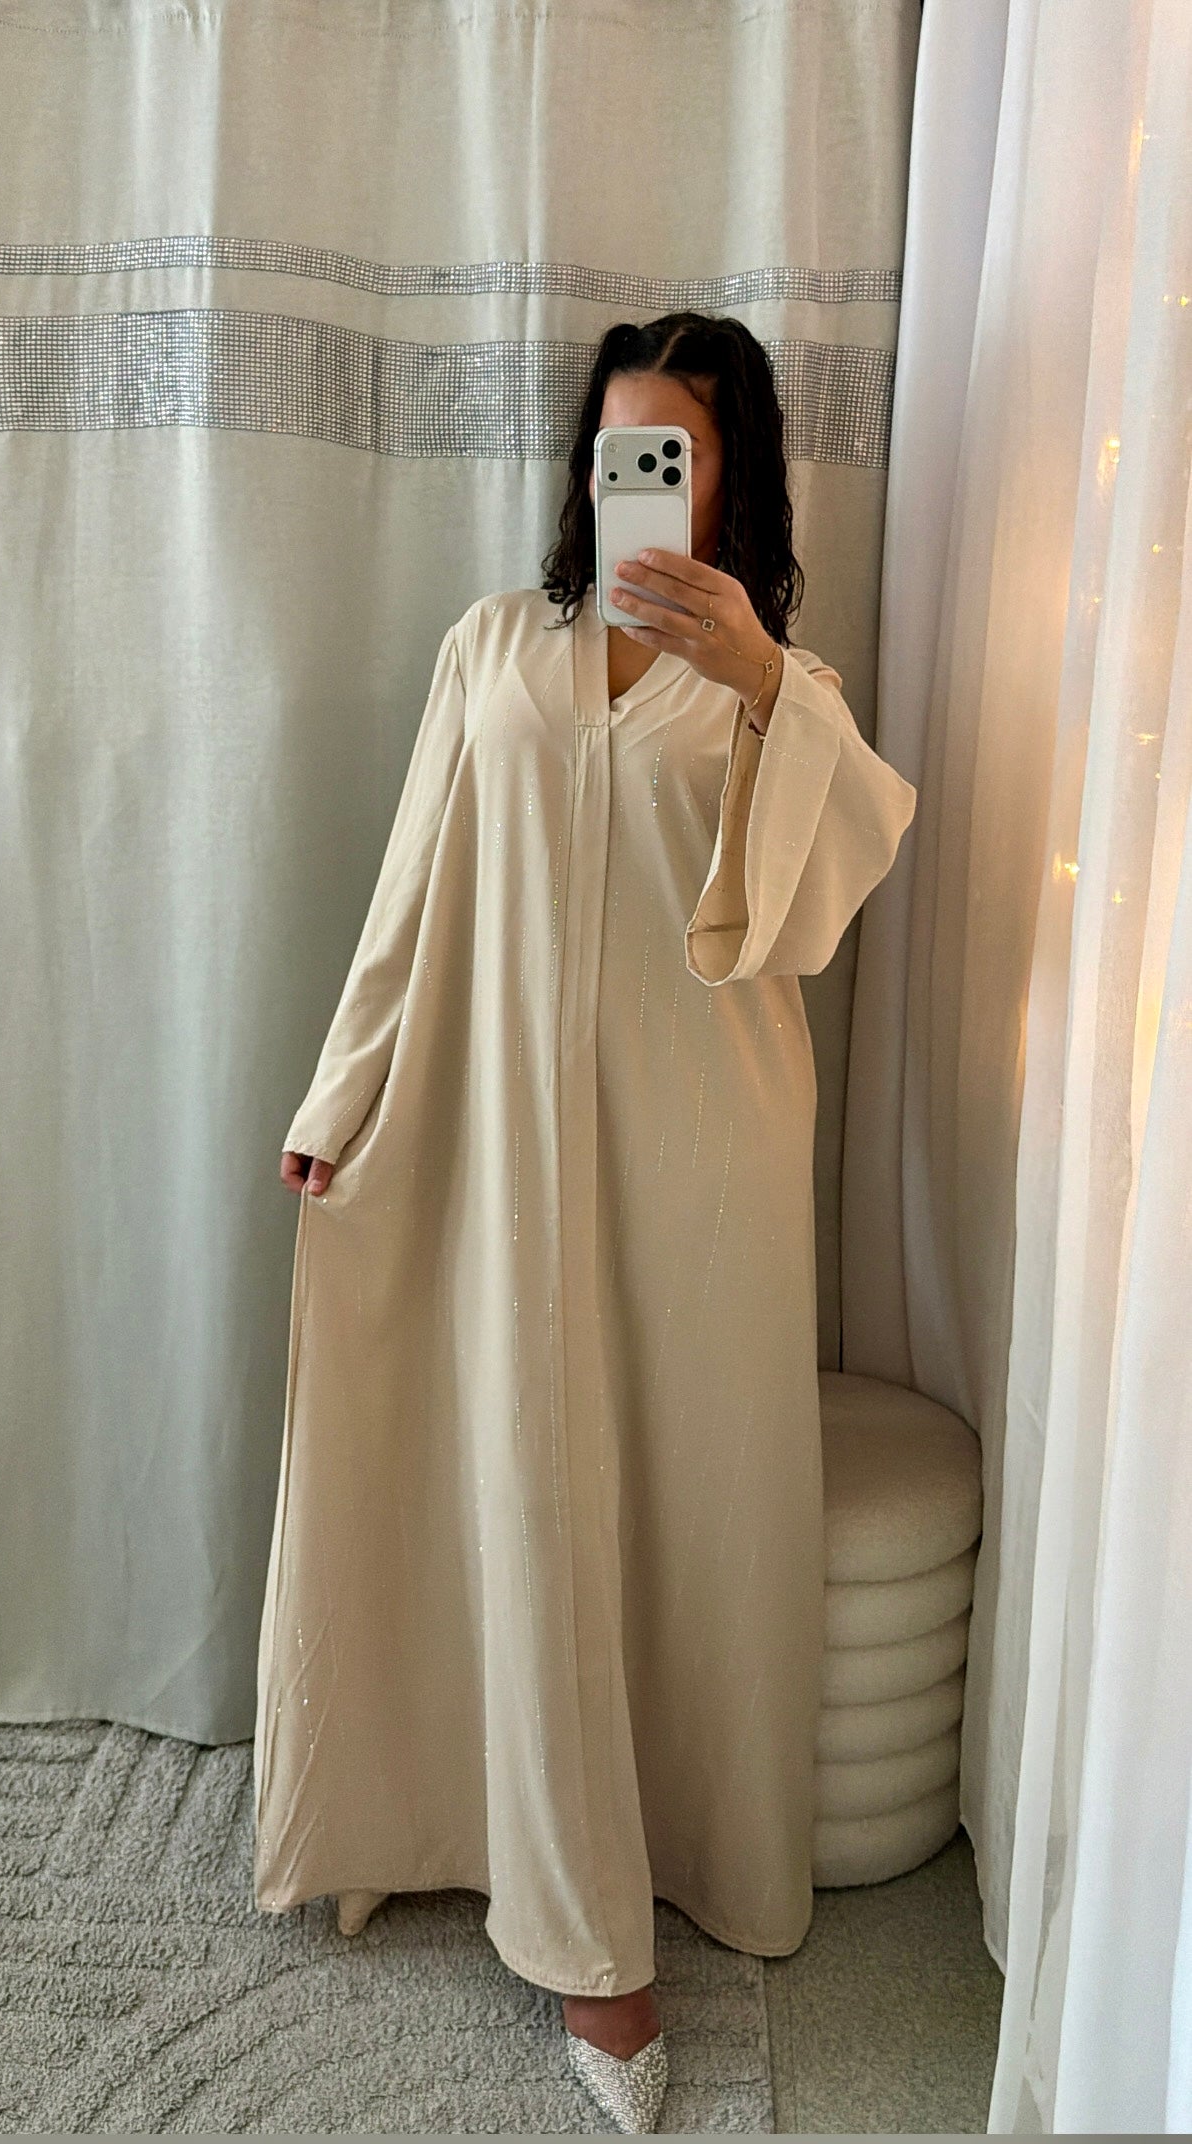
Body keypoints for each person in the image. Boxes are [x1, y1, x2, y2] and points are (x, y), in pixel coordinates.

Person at [253, 311, 917, 2133]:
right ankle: (565, 1924)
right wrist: (337, 1102)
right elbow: (409, 898)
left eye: (674, 458)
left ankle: (689, 1851)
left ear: (728, 478)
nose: (642, 486)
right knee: (515, 1491)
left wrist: (763, 682)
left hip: (703, 1161)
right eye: (618, 452)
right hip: (494, 1140)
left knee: (688, 1503)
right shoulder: (492, 649)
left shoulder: (783, 682)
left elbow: (823, 896)